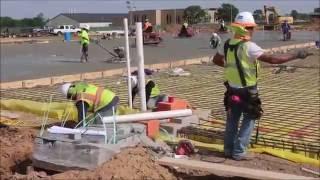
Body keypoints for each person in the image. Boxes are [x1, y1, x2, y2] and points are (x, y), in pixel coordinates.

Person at [212, 12, 311, 161]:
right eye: (251, 27)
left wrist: (231, 68)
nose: (253, 30)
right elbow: (273, 59)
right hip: (247, 91)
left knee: (232, 119)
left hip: (232, 89)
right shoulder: (249, 46)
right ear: (247, 28)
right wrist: (296, 55)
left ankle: (228, 149)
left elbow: (216, 60)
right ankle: (239, 151)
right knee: (250, 117)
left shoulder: (227, 44)